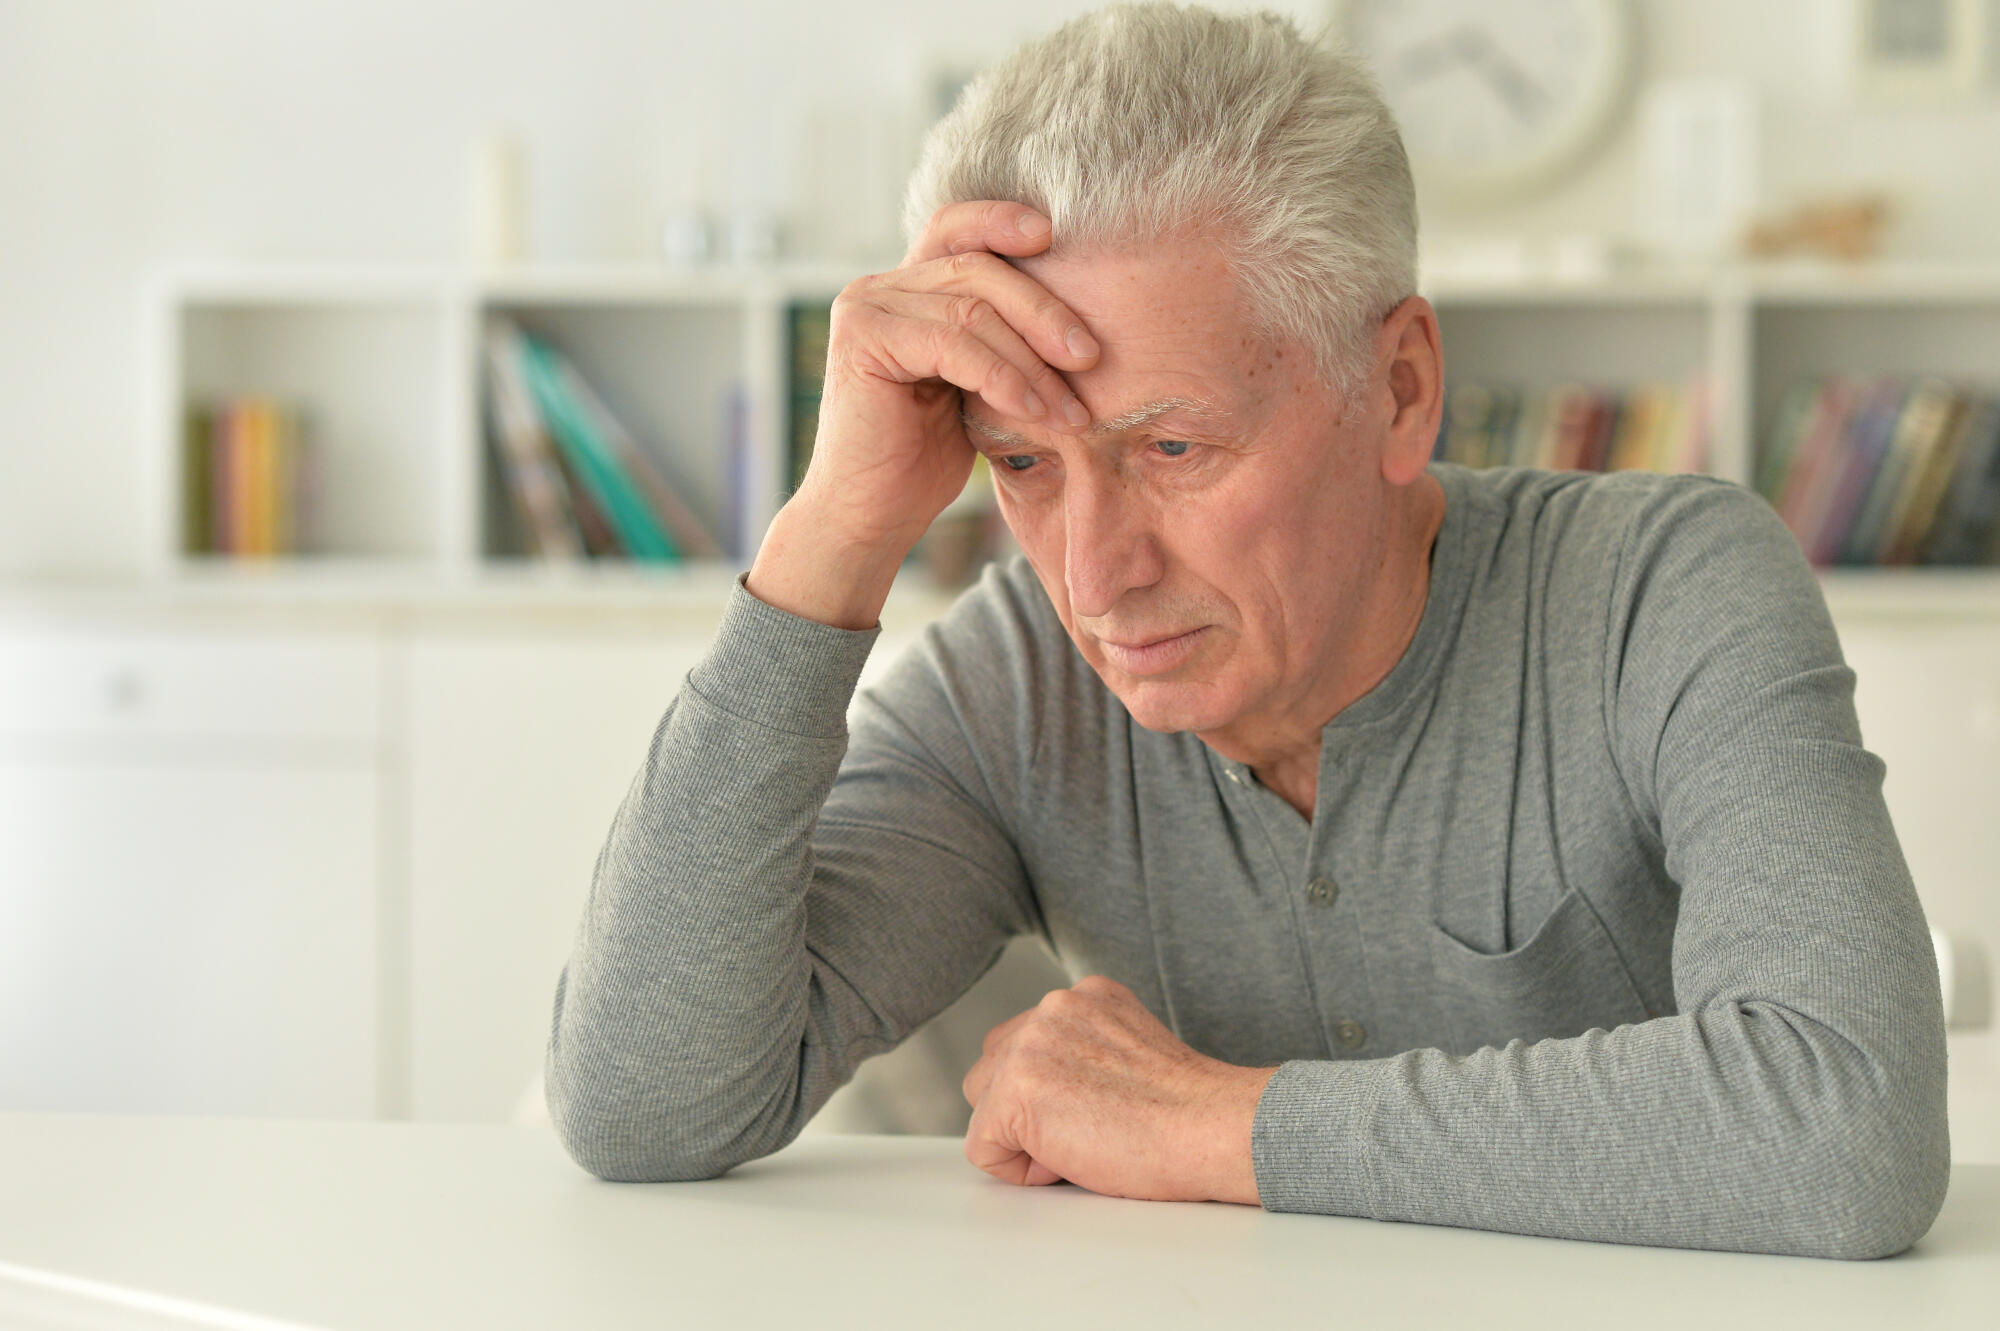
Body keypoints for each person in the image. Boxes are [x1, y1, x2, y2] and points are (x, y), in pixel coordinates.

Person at [543, 3, 1949, 1259]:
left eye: (1172, 448)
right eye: (1022, 463)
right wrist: (834, 532)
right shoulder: (1018, 679)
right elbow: (640, 1106)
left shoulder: (1666, 592)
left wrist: (1211, 1127)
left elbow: (1846, 1126)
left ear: (1398, 389)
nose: (1095, 573)